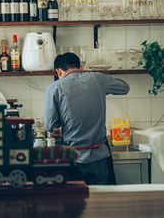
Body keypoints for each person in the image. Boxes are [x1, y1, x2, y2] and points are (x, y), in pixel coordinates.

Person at [44, 52, 130, 185]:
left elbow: (51, 126)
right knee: (101, 200)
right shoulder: (97, 78)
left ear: (58, 71)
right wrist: (94, 75)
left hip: (74, 159)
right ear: (79, 66)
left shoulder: (54, 88)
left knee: (77, 201)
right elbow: (125, 88)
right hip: (100, 157)